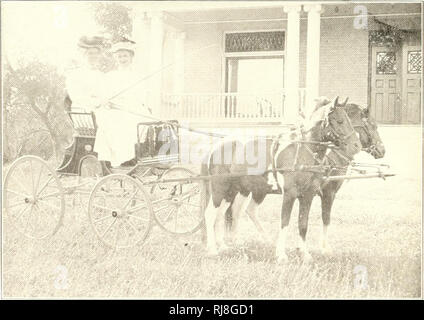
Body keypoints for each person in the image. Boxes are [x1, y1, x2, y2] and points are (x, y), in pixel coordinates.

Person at [93, 39, 152, 167]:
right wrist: (107, 100)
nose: (122, 59)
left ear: (131, 57)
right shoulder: (111, 76)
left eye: (125, 56)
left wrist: (143, 104)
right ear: (116, 58)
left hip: (132, 107)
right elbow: (104, 95)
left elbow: (142, 96)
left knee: (142, 120)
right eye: (119, 56)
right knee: (119, 123)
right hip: (114, 108)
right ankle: (122, 159)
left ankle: (133, 157)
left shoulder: (137, 76)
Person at [65, 36, 106, 112]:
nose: (94, 56)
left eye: (96, 53)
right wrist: (97, 102)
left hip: (100, 111)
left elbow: (104, 94)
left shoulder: (101, 75)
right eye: (90, 53)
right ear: (84, 55)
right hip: (83, 112)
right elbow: (76, 97)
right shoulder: (75, 74)